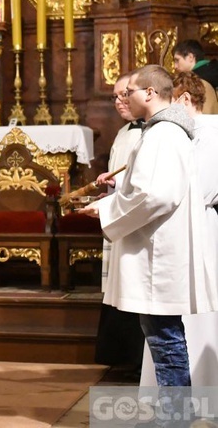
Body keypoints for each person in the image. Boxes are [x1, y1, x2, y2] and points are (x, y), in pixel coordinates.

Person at [79, 64, 217, 389]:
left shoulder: (164, 134)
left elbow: (156, 195)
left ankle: (174, 420)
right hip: (159, 249)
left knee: (166, 343)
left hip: (159, 254)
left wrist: (106, 210)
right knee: (164, 340)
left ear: (150, 93)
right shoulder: (162, 132)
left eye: (130, 92)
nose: (125, 98)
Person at [139, 71, 218, 387]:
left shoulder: (211, 133)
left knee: (200, 312)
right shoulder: (174, 134)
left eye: (171, 101)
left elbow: (201, 189)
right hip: (177, 225)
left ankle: (204, 387)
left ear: (186, 99)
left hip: (202, 225)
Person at [92, 74, 145, 376]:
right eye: (114, 96)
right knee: (117, 287)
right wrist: (110, 189)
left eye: (125, 94)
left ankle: (139, 362)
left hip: (136, 221)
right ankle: (121, 357)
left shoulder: (154, 133)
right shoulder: (124, 132)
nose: (119, 101)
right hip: (117, 214)